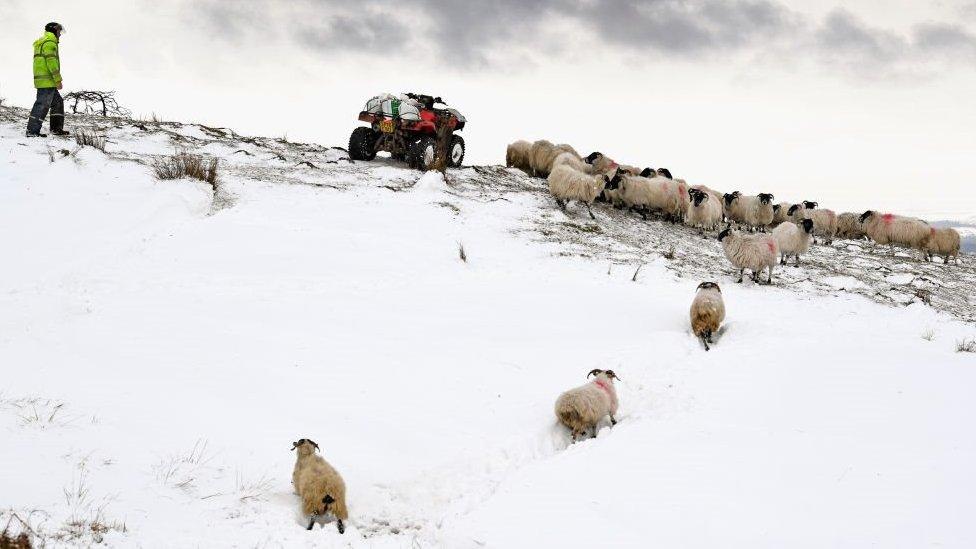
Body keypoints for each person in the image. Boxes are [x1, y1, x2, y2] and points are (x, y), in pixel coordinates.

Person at [27, 22, 69, 138]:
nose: (60, 34)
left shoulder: (41, 42)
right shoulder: (50, 43)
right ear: (54, 31)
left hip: (43, 80)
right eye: (59, 31)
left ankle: (56, 129)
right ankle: (32, 131)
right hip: (47, 80)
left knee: (57, 102)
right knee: (42, 105)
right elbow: (51, 62)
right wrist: (58, 80)